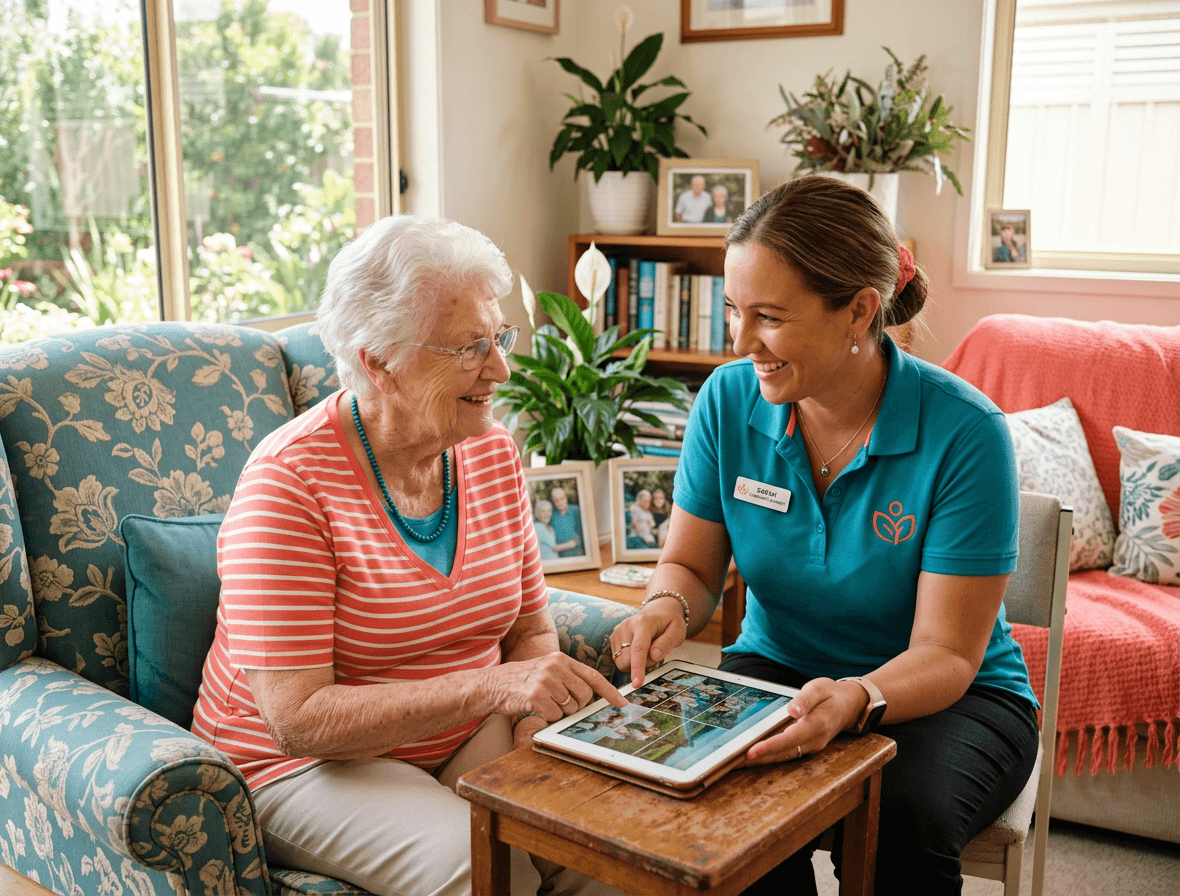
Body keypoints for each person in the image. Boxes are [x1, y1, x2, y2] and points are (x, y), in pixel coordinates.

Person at [609, 175, 1040, 895]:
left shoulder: (967, 432)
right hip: (778, 670)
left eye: (769, 318)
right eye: (733, 311)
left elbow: (947, 652)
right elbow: (688, 564)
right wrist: (666, 607)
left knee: (898, 815)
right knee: (717, 801)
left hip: (949, 696)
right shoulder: (726, 400)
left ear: (859, 312)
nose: (742, 342)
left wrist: (856, 697)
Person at [190, 215, 628, 896]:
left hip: (460, 732)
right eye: (469, 348)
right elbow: (298, 719)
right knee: (482, 864)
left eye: (499, 338)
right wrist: (491, 689)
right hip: (305, 765)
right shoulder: (289, 483)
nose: (501, 370)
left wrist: (532, 721)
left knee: (599, 839)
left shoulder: (490, 450)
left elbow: (529, 631)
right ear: (377, 360)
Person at [550, 485, 585, 557]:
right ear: (553, 502)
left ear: (566, 498)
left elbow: (583, 532)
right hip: (561, 557)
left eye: (562, 499)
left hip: (578, 553)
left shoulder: (576, 510)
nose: (560, 502)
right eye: (556, 500)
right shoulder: (551, 515)